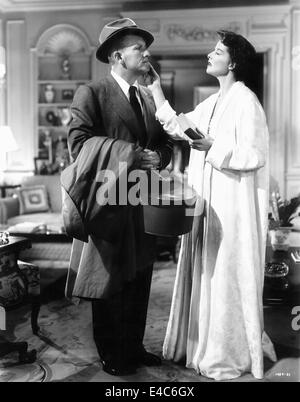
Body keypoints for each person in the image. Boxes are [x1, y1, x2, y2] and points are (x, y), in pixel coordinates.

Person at [147, 30, 277, 380]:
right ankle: (199, 344)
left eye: (217, 51)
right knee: (207, 269)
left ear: (232, 62)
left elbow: (255, 155)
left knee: (224, 274)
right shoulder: (214, 102)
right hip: (208, 204)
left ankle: (225, 352)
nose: (209, 54)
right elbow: (180, 126)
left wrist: (211, 148)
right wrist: (156, 88)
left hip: (232, 207)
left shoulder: (246, 101)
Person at [64, 18, 173, 376]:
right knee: (109, 278)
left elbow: (163, 142)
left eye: (145, 47)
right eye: (138, 48)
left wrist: (160, 156)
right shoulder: (92, 92)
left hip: (143, 201)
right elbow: (78, 147)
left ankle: (134, 345)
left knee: (141, 276)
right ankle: (111, 353)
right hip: (107, 201)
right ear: (117, 56)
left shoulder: (145, 96)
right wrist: (130, 153)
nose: (147, 53)